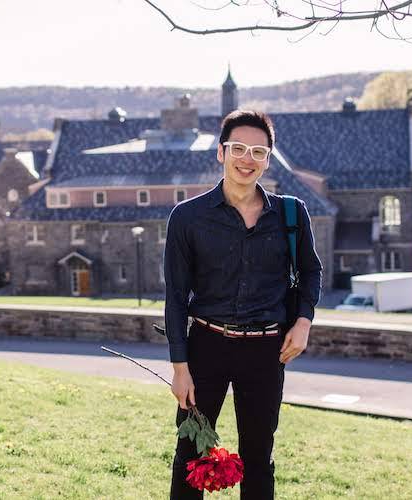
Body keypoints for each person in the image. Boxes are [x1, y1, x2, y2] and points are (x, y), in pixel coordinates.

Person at [163, 110, 322, 499]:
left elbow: (311, 272)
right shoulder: (187, 218)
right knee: (191, 456)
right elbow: (175, 297)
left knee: (258, 457)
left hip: (267, 352)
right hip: (206, 348)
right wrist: (180, 369)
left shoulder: (291, 213)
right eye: (238, 148)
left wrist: (302, 323)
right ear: (221, 153)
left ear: (268, 158)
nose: (247, 159)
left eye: (258, 151)